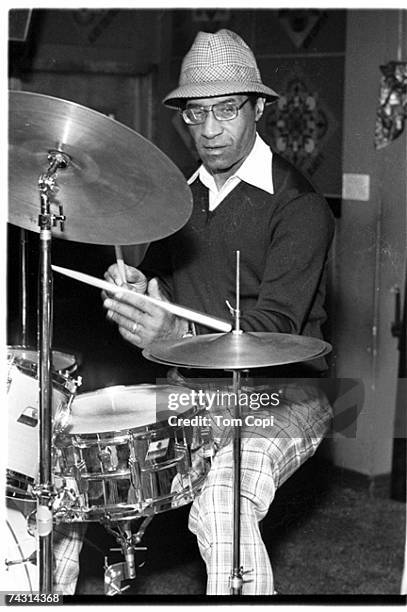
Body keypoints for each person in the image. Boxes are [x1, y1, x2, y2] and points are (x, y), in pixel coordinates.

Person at [100, 29, 335, 596]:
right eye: (196, 114)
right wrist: (136, 289)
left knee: (220, 508)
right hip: (192, 393)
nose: (208, 130)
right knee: (61, 480)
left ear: (257, 108)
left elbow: (276, 333)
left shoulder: (299, 206)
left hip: (280, 397)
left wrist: (175, 331)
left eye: (226, 110)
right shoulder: (180, 199)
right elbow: (162, 291)